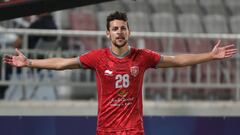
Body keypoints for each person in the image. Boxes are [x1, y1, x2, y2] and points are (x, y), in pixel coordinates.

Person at [3, 11, 237, 135]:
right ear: (108, 34)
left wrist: (209, 55)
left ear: (129, 31)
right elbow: (62, 63)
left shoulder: (142, 56)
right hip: (106, 130)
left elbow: (176, 60)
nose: (119, 32)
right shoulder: (97, 57)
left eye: (123, 28)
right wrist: (30, 62)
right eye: (114, 29)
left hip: (134, 130)